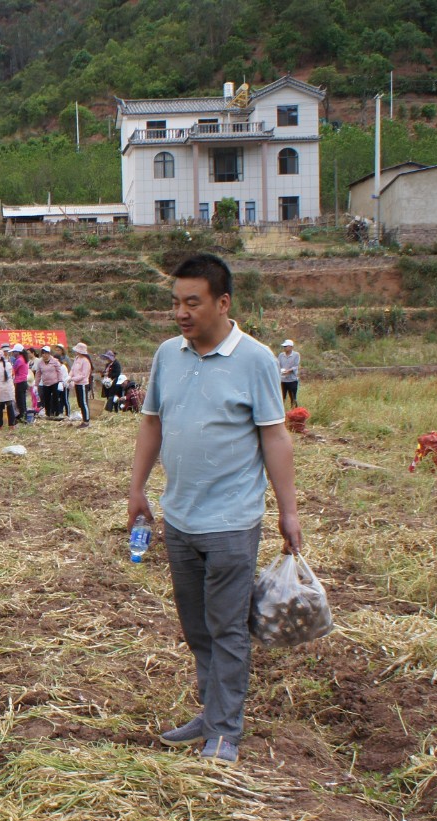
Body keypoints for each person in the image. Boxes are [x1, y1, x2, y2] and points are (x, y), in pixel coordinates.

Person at [127, 252, 301, 767]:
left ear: (223, 303)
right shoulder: (168, 355)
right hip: (179, 517)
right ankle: (212, 713)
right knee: (197, 627)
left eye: (193, 302)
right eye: (176, 303)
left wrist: (288, 511)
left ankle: (225, 731)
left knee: (226, 627)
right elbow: (152, 423)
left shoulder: (256, 360)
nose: (181, 313)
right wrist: (137, 489)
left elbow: (275, 436)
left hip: (231, 522)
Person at [70, 343, 94, 429]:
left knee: (84, 402)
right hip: (77, 383)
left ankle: (86, 421)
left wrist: (73, 379)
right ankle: (84, 419)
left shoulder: (86, 361)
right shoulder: (77, 358)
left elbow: (84, 375)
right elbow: (73, 369)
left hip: (83, 384)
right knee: (80, 402)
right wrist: (69, 376)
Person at [0, 349, 16, 428]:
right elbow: (13, 376)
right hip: (9, 389)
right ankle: (11, 425)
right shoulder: (9, 365)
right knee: (10, 406)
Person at [37, 346, 63, 419]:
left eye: (46, 353)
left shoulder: (55, 361)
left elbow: (59, 371)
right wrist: (36, 384)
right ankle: (48, 413)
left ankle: (56, 413)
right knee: (46, 398)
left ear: (49, 354)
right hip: (45, 383)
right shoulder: (40, 363)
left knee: (55, 398)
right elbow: (38, 374)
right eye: (43, 353)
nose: (44, 355)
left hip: (54, 382)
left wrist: (60, 381)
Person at [10, 344, 31, 422]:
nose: (13, 353)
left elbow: (13, 370)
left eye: (14, 352)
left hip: (20, 382)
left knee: (20, 401)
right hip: (23, 382)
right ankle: (24, 416)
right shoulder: (24, 359)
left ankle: (22, 417)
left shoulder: (19, 360)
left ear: (18, 352)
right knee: (23, 400)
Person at [278, 340, 301, 409]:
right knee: (281, 398)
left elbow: (296, 366)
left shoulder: (296, 355)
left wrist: (289, 370)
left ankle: (295, 412)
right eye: (284, 346)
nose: (284, 348)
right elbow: (278, 364)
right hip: (283, 380)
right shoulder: (281, 355)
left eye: (286, 346)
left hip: (292, 380)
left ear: (291, 347)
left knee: (293, 398)